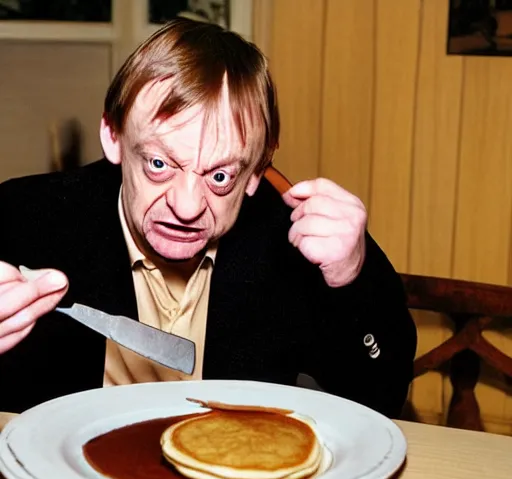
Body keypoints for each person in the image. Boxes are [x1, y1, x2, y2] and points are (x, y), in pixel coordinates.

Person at [0, 18, 417, 417]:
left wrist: (353, 278)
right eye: (159, 164)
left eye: (219, 176)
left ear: (255, 172)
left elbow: (381, 399)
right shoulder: (24, 218)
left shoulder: (289, 244)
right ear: (113, 137)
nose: (186, 207)